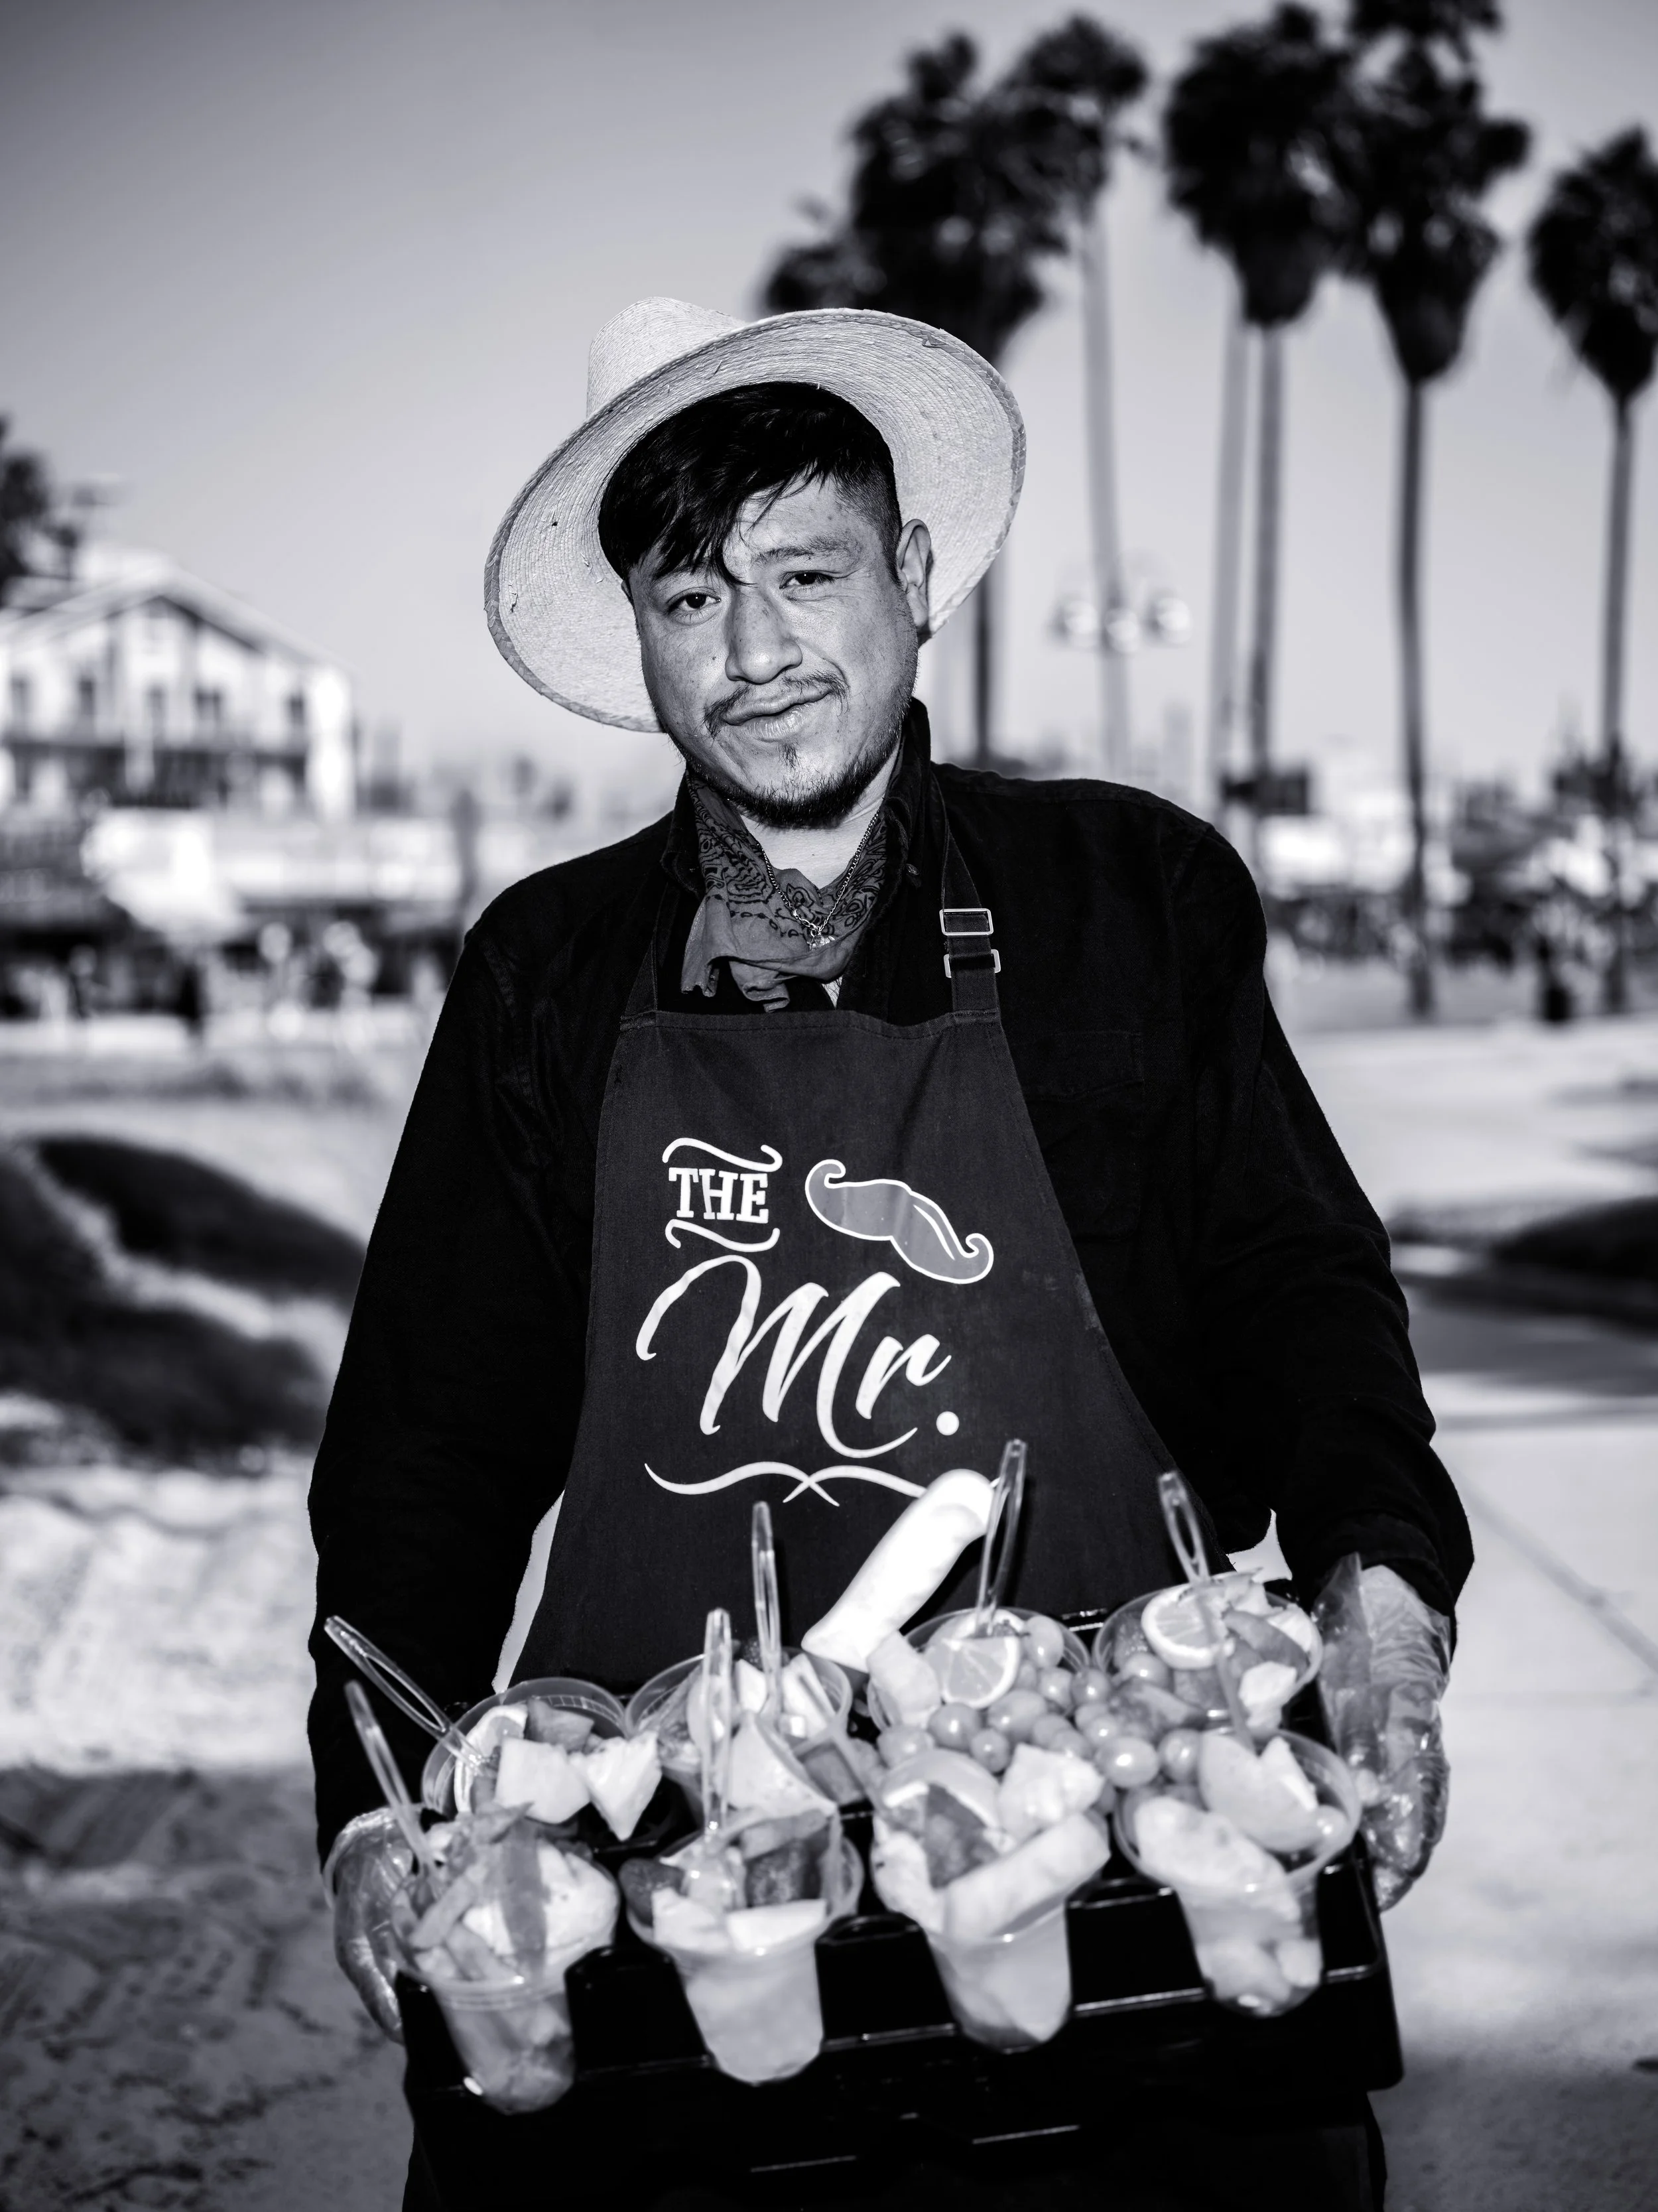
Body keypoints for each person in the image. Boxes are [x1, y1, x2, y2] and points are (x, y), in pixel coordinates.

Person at [311, 298, 1466, 2210]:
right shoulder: (545, 969)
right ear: (643, 643)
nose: (754, 652)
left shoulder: (1127, 898)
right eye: (691, 598)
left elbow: (1297, 1292)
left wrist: (1382, 1588)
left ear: (911, 575)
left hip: (1119, 1824)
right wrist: (367, 1802)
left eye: (803, 571)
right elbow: (426, 1450)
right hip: (667, 1891)